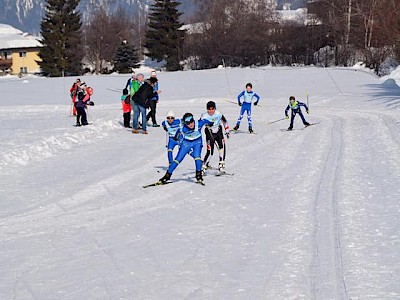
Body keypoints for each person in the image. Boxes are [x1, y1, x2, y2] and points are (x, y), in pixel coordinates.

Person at [159, 113, 213, 184]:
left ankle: (198, 175)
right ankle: (167, 175)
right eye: (188, 123)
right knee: (178, 159)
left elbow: (206, 120)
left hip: (197, 142)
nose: (191, 124)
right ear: (185, 123)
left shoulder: (199, 123)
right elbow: (177, 134)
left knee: (197, 157)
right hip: (186, 143)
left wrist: (210, 123)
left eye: (191, 121)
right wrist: (177, 138)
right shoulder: (183, 128)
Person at [200, 101, 230, 174]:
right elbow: (199, 125)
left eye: (212, 109)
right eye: (209, 109)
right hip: (209, 133)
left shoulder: (218, 113)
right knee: (210, 151)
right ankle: (203, 166)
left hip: (218, 132)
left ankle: (221, 164)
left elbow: (225, 122)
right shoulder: (204, 116)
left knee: (221, 148)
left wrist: (227, 130)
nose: (211, 111)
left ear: (215, 108)